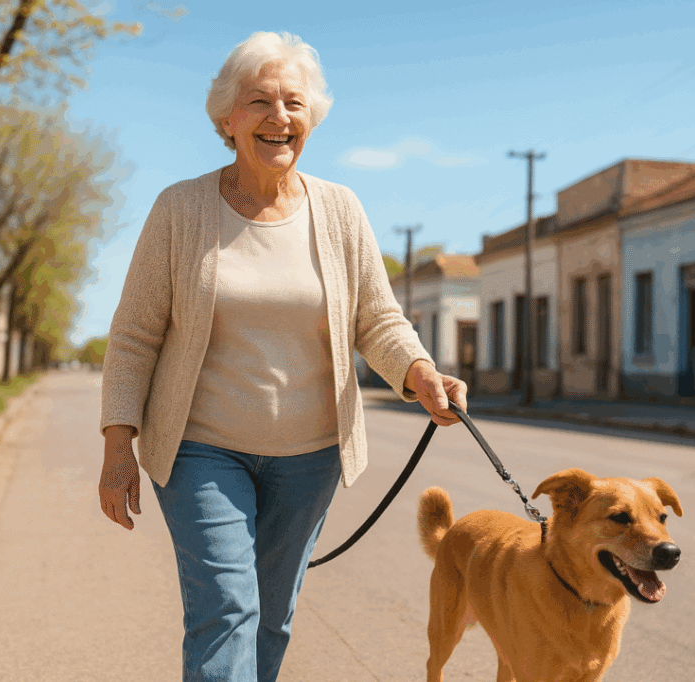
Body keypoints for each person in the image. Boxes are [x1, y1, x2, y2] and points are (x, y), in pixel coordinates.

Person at [98, 31, 468, 682]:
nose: (279, 117)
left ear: (312, 118)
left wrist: (419, 373)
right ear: (227, 119)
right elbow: (134, 335)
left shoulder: (340, 210)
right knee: (226, 609)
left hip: (310, 455)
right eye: (259, 101)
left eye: (294, 103)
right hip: (200, 449)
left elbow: (376, 318)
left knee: (271, 615)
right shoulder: (180, 210)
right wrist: (117, 445)